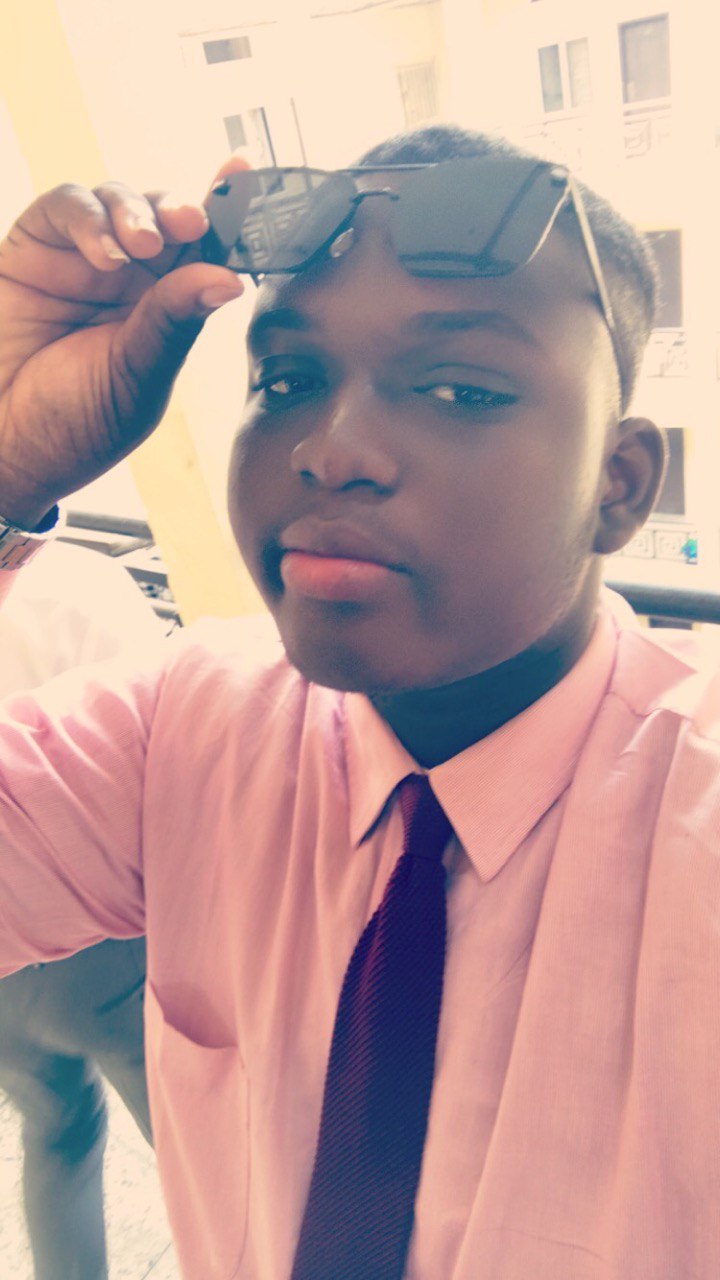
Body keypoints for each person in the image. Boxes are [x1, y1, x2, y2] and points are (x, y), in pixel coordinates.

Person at [0, 122, 717, 1280]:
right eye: (288, 380)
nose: (333, 450)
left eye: (461, 388)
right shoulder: (182, 727)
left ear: (619, 485)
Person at [0, 540, 160, 1280]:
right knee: (192, 1130)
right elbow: (166, 760)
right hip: (102, 951)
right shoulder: (81, 584)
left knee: (58, 1129)